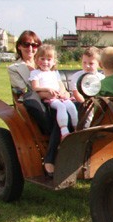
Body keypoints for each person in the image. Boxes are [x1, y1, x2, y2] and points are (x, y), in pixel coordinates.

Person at [8, 30, 61, 177]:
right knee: (32, 99)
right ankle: (51, 157)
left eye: (34, 45)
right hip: (33, 100)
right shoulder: (15, 68)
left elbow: (58, 83)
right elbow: (24, 90)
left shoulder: (46, 62)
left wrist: (61, 93)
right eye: (26, 44)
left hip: (53, 97)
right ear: (19, 46)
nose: (30, 48)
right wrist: (46, 91)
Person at [29, 44, 79, 139]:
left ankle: (77, 128)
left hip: (59, 96)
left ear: (53, 62)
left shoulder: (54, 73)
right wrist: (47, 89)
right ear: (36, 60)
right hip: (50, 98)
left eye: (48, 60)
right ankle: (64, 131)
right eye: (42, 59)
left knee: (71, 107)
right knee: (61, 107)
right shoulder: (35, 73)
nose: (45, 62)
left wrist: (62, 92)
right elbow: (35, 87)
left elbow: (61, 86)